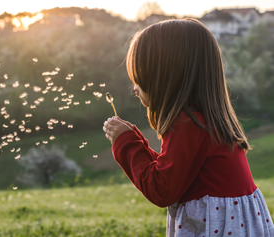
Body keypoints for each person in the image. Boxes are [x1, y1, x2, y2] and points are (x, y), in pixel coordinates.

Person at [103, 18, 274, 236]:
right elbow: (173, 171)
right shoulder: (207, 121)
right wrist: (134, 138)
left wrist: (127, 144)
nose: (135, 88)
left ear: (165, 77)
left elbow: (162, 189)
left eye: (140, 79)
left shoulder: (188, 125)